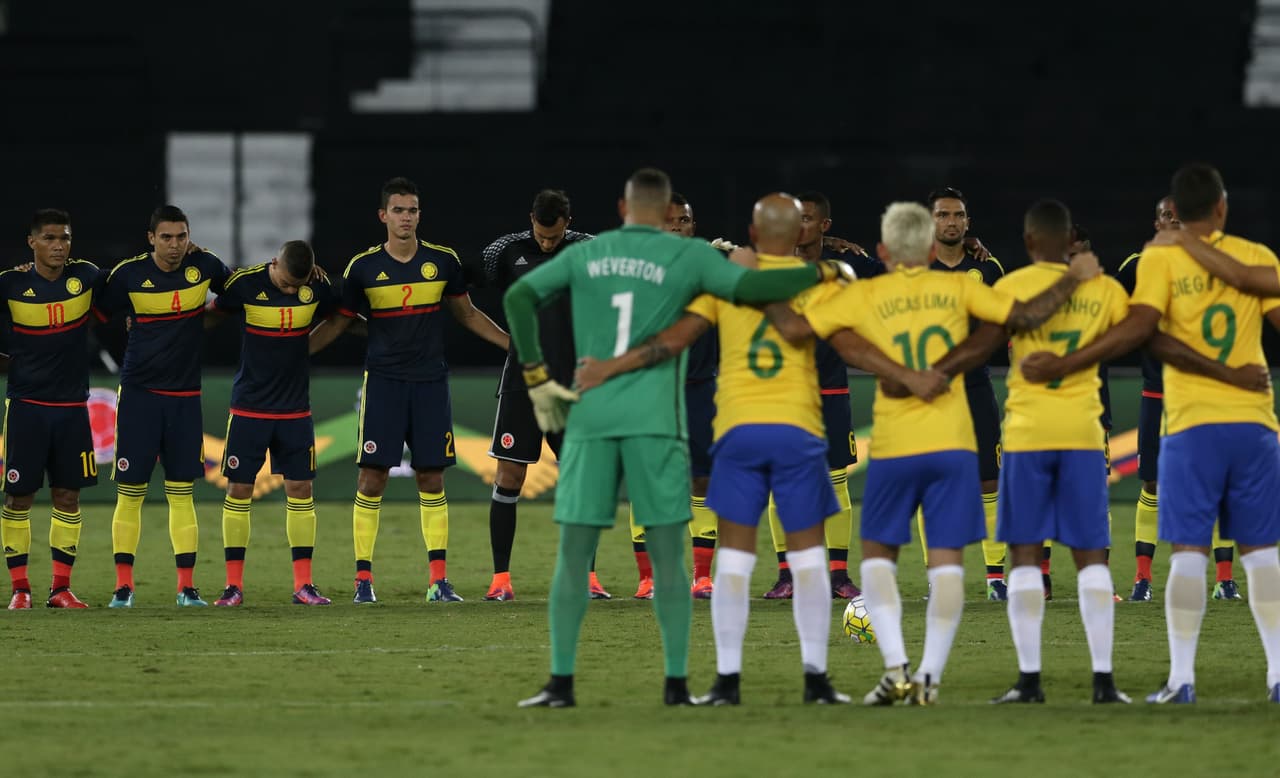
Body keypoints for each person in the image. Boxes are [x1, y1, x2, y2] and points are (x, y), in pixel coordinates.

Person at [504, 168, 853, 708]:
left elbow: (520, 298)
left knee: (573, 555)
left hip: (592, 418)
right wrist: (828, 270)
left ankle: (560, 684)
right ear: (668, 211)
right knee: (671, 558)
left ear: (623, 208)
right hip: (657, 423)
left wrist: (535, 375)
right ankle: (675, 686)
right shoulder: (690, 258)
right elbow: (755, 287)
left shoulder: (585, 253)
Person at [580, 193, 946, 705]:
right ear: (798, 232)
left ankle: (727, 681)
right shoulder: (819, 281)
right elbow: (847, 345)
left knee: (734, 557)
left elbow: (673, 340)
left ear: (753, 236)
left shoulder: (724, 281)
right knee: (810, 559)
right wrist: (907, 375)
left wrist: (608, 369)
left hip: (738, 433)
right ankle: (816, 679)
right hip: (798, 433)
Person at [764, 201, 1100, 705]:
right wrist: (1073, 277)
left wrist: (757, 279)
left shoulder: (864, 293)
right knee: (946, 564)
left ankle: (896, 666)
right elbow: (1024, 317)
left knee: (877, 557)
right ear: (929, 246)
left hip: (897, 445)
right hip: (953, 443)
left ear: (881, 250)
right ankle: (929, 677)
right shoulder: (963, 285)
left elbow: (794, 330)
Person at [1021, 163, 1280, 704]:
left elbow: (1143, 334)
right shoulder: (1258, 256)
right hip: (1256, 423)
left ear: (1176, 213)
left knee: (1189, 552)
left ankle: (1183, 679)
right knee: (1262, 553)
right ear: (1223, 207)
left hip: (1190, 426)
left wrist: (1069, 360)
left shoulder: (1160, 259)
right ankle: (1278, 675)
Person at [925, 200, 1133, 704]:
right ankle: (1104, 681)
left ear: (1029, 241)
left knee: (1022, 555)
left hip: (1026, 435)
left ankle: (1030, 680)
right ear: (1069, 242)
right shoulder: (1102, 287)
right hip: (1083, 433)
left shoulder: (1011, 286)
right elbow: (1131, 335)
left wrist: (936, 373)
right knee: (1090, 559)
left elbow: (983, 345)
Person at [309, 177, 510, 604]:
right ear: (383, 215)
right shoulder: (362, 268)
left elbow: (468, 314)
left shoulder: (442, 262)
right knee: (372, 477)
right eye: (398, 210)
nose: (406, 217)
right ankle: (363, 580)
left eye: (413, 210)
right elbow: (341, 321)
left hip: (430, 384)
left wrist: (515, 345)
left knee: (431, 476)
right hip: (383, 383)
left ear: (420, 215)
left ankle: (439, 580)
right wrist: (296, 351)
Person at [93, 205, 233, 607]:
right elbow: (97, 310)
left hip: (185, 398)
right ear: (151, 238)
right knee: (130, 493)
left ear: (190, 236)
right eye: (166, 237)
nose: (175, 246)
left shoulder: (204, 266)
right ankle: (123, 587)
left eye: (181, 236)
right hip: (139, 396)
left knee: (181, 492)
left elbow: (239, 292)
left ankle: (186, 588)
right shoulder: (127, 276)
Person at [474, 189, 609, 602]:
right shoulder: (504, 251)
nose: (547, 243)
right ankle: (500, 580)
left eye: (554, 236)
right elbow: (470, 287)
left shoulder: (590, 250)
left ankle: (586, 577)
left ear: (567, 222)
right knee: (509, 476)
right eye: (541, 234)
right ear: (531, 219)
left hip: (571, 383)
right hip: (522, 382)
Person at [1115, 197, 1241, 601]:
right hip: (1158, 392)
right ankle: (1143, 579)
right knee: (1152, 482)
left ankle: (1224, 579)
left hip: (1205, 393)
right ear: (1155, 222)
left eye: (1178, 216)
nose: (1172, 221)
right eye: (1165, 215)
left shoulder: (1209, 263)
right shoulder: (1135, 266)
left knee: (1218, 483)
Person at [761, 191, 883, 601]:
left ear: (824, 227)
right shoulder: (769, 267)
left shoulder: (848, 268)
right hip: (781, 394)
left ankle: (836, 575)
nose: (798, 227)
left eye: (808, 219)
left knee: (835, 485)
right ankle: (787, 575)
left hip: (830, 391)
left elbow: (898, 272)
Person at [209, 240, 340, 606]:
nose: (291, 291)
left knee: (301, 491)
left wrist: (306, 347)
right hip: (249, 409)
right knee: (238, 491)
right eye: (285, 284)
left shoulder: (317, 286)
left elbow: (342, 316)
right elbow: (211, 312)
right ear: (274, 264)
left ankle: (304, 585)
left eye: (297, 286)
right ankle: (233, 586)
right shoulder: (246, 285)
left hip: (296, 411)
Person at [0, 209, 102, 609]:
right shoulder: (10, 283)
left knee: (68, 498)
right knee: (18, 499)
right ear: (32, 242)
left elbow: (132, 284)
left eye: (65, 238)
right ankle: (20, 589)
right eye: (49, 238)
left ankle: (60, 589)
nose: (59, 245)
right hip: (27, 407)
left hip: (73, 408)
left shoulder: (88, 278)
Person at [628, 191, 720, 601]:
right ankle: (648, 578)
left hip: (701, 390)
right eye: (671, 221)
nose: (678, 228)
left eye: (684, 221)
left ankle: (702, 576)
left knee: (702, 479)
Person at [924, 187, 1009, 600]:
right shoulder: (915, 269)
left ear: (968, 223)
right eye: (942, 215)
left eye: (958, 215)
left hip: (975, 387)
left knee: (989, 482)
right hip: (932, 391)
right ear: (930, 221)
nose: (951, 222)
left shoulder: (988, 268)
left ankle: (995, 576)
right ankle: (938, 577)